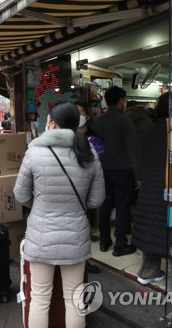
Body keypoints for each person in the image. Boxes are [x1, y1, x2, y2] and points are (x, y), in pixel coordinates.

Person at [14, 102, 105, 328]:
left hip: (40, 236)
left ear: (52, 124)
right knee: (74, 300)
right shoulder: (89, 153)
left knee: (40, 298)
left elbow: (20, 195)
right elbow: (96, 200)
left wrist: (42, 205)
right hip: (76, 237)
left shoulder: (34, 151)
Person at [92, 86, 142, 257]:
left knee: (105, 206)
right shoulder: (124, 120)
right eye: (124, 99)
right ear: (121, 100)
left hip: (103, 169)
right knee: (122, 207)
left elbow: (95, 147)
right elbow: (133, 149)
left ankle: (104, 242)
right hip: (123, 170)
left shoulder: (98, 121)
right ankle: (120, 245)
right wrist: (138, 175)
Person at [131, 92, 169, 284]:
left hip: (148, 190)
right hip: (170, 188)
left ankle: (147, 271)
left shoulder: (149, 131)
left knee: (150, 226)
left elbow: (140, 159)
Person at [75, 101, 103, 275]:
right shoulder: (65, 137)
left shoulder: (95, 139)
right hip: (69, 192)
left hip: (85, 189)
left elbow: (94, 164)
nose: (77, 116)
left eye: (80, 112)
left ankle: (84, 260)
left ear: (87, 116)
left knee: (82, 227)